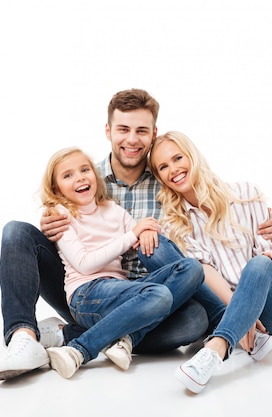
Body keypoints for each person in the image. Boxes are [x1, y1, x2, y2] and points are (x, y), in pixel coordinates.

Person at [0, 88, 272, 381]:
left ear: (154, 134)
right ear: (109, 130)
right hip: (85, 290)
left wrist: (259, 219)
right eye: (123, 129)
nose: (132, 139)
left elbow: (210, 211)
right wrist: (51, 225)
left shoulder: (169, 180)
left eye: (141, 130)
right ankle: (24, 338)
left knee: (194, 319)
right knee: (16, 232)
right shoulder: (86, 176)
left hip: (155, 297)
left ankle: (74, 335)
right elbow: (70, 240)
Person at [35, 147, 204, 379]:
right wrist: (134, 234)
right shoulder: (61, 214)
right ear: (56, 188)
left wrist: (149, 229)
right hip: (87, 294)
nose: (80, 177)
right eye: (68, 175)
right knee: (160, 295)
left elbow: (140, 233)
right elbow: (84, 264)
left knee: (192, 270)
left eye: (85, 170)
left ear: (95, 175)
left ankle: (124, 338)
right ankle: (80, 349)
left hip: (122, 292)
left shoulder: (113, 210)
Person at [149, 131, 272, 394]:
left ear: (192, 156)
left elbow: (269, 252)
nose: (173, 169)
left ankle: (216, 348)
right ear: (160, 176)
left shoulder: (245, 193)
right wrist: (243, 314)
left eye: (177, 158)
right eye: (163, 166)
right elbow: (203, 272)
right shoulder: (176, 224)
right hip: (228, 309)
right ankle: (235, 338)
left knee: (260, 263)